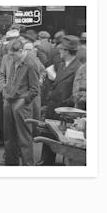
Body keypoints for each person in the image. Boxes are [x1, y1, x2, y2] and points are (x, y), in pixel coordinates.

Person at [37, 35, 82, 165]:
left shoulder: (78, 67)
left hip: (66, 110)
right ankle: (46, 160)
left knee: (65, 141)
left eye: (62, 50)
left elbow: (76, 92)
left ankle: (64, 163)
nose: (59, 52)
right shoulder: (61, 65)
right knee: (48, 134)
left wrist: (65, 106)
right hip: (53, 106)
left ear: (67, 52)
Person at [2, 39, 40, 165]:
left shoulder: (31, 64)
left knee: (24, 139)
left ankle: (27, 167)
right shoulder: (15, 60)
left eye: (13, 54)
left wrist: (23, 102)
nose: (11, 57)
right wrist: (6, 94)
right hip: (10, 100)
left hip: (21, 104)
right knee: (9, 137)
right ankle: (11, 164)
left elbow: (35, 90)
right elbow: (11, 81)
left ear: (21, 51)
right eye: (10, 54)